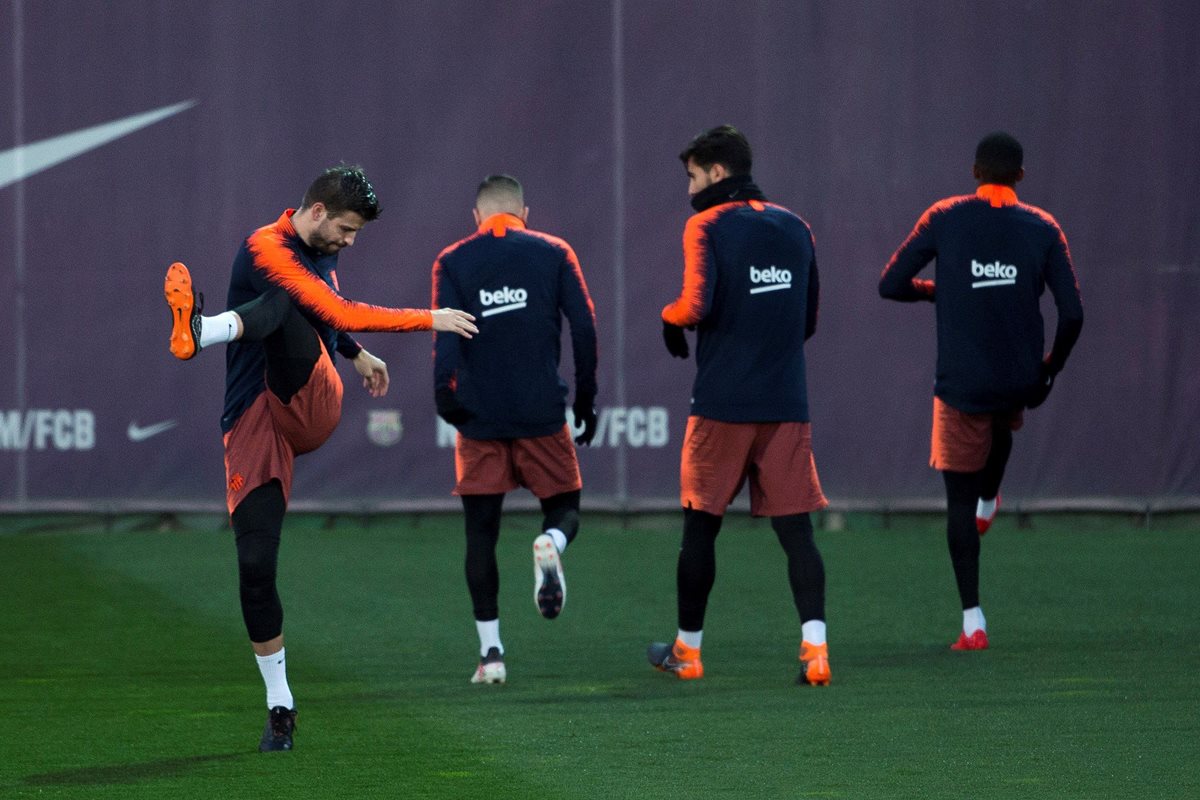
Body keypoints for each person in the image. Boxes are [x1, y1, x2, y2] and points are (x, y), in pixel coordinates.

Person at [163, 165, 477, 751]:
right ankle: (280, 706)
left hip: (310, 404)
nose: (349, 242)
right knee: (255, 570)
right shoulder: (266, 247)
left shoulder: (312, 249)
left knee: (285, 302)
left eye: (355, 233)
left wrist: (354, 354)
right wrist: (427, 319)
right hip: (253, 420)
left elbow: (330, 311)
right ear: (314, 213)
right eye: (347, 230)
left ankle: (200, 331)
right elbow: (336, 310)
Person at [879, 132, 1083, 651]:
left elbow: (891, 283)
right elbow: (1074, 314)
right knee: (1000, 422)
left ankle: (973, 622)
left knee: (957, 502)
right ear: (1020, 176)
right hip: (1019, 378)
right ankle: (992, 497)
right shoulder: (1043, 227)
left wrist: (936, 291)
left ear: (974, 172)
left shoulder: (945, 216)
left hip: (962, 385)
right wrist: (1049, 370)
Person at [647, 125, 831, 686]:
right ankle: (816, 651)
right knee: (797, 533)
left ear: (718, 173)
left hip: (723, 404)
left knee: (701, 530)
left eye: (694, 176)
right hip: (786, 402)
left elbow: (694, 303)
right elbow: (809, 321)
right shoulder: (797, 228)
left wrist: (667, 320)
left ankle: (688, 652)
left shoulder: (705, 225)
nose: (689, 189)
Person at [431, 174, 598, 685]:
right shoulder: (555, 252)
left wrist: (446, 398)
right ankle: (551, 541)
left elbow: (447, 333)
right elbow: (585, 324)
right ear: (525, 212)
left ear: (477, 218)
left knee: (480, 533)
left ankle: (492, 655)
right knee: (565, 509)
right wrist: (587, 398)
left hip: (479, 417)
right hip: (541, 411)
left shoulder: (453, 260)